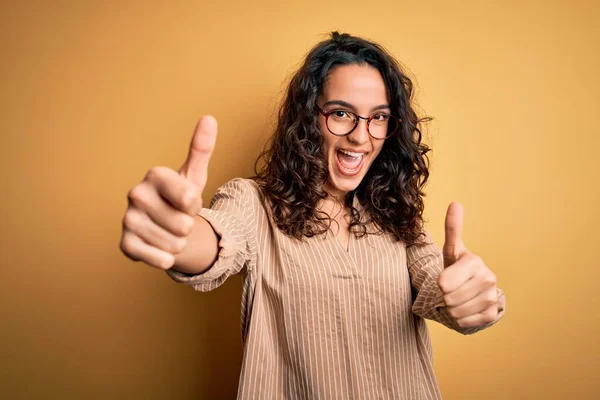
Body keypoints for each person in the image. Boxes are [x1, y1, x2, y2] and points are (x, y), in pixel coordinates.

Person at [119, 32, 506, 399]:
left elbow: (440, 287)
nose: (361, 136)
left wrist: (472, 298)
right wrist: (179, 235)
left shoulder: (400, 219)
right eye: (341, 113)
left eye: (379, 117)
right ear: (308, 118)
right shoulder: (253, 203)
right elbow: (217, 238)